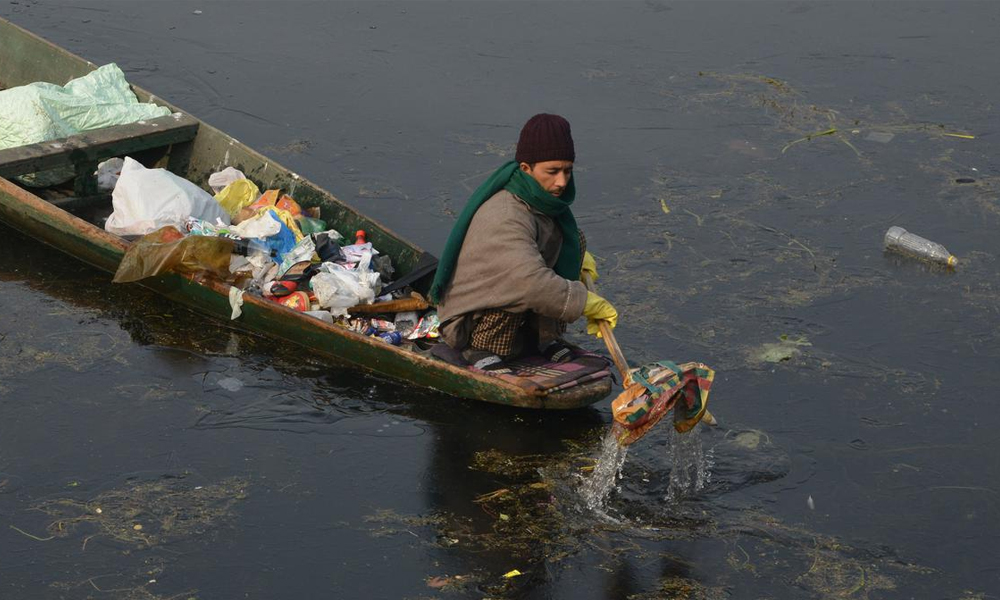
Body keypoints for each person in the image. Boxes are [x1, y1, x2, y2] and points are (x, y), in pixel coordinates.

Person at [430, 113, 618, 370]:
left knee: (573, 241)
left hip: (517, 291)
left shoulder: (542, 202)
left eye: (567, 171)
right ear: (526, 169)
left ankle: (542, 338)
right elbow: (528, 282)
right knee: (521, 282)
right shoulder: (506, 214)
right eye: (552, 172)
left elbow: (557, 246)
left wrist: (576, 258)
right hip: (472, 319)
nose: (562, 182)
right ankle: (481, 348)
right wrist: (585, 302)